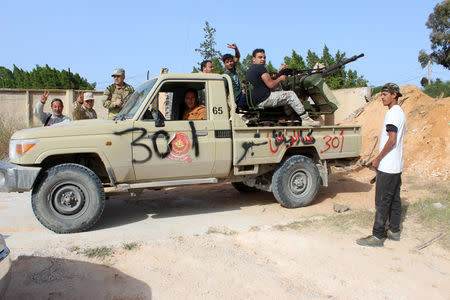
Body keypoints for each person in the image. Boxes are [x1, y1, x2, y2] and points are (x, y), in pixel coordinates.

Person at [356, 83, 407, 247]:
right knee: (394, 200)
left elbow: (392, 140)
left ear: (394, 95)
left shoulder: (393, 114)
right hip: (396, 165)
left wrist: (378, 159)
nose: (382, 97)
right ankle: (394, 231)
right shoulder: (400, 113)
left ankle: (377, 236)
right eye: (381, 95)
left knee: (382, 201)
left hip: (388, 166)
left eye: (385, 94)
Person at [246, 48, 320, 126]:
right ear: (254, 59)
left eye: (264, 57)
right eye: (260, 57)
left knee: (278, 87)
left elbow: (267, 80)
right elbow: (270, 84)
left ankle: (287, 108)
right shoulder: (260, 68)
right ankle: (306, 119)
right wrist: (280, 79)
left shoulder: (250, 70)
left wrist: (279, 74)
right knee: (291, 94)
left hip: (256, 100)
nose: (263, 59)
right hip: (264, 99)